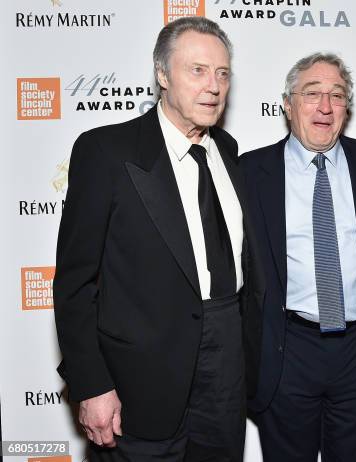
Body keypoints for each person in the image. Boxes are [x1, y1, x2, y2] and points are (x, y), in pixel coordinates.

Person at [53, 17, 263, 462]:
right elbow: (74, 284)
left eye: (223, 73)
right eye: (198, 70)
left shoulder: (227, 149)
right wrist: (91, 384)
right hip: (140, 381)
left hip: (226, 370)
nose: (214, 86)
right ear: (163, 75)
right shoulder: (106, 151)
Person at [239, 53, 356, 462]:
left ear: (347, 108)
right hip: (287, 352)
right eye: (312, 93)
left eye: (336, 95)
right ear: (287, 103)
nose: (324, 106)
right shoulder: (248, 172)